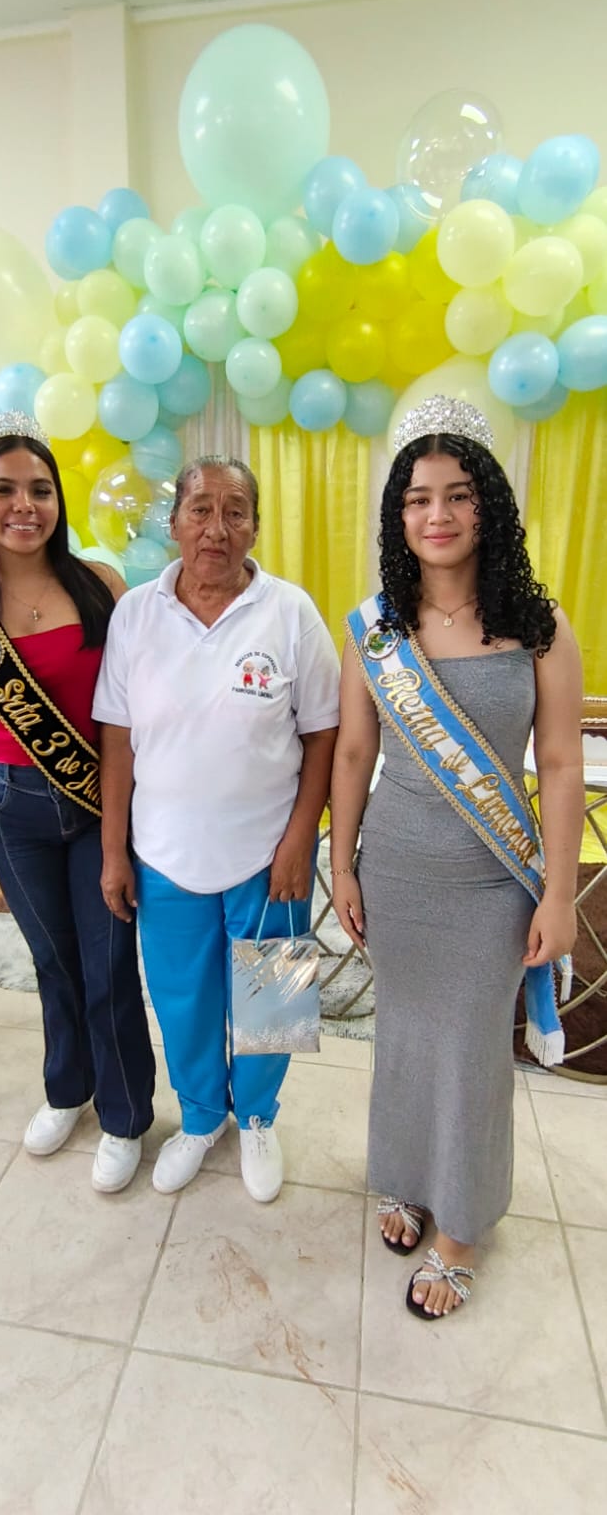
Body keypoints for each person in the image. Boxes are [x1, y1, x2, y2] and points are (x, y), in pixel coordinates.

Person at [330, 395, 583, 1318]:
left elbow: (561, 764)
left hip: (491, 883)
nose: (435, 514)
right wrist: (342, 864)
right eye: (416, 499)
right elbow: (351, 753)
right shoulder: (375, 629)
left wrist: (558, 895)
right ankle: (406, 1175)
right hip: (397, 869)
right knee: (403, 1035)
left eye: (456, 495)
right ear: (397, 516)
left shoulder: (539, 625)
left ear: (488, 507)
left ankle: (465, 1223)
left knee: (472, 1050)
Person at [94, 455, 339, 1204]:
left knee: (273, 998)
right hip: (165, 853)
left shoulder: (289, 612)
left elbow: (324, 736)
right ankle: (201, 1119)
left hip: (269, 856)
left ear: (255, 527)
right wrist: (113, 852)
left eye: (235, 511)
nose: (216, 528)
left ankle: (258, 1117)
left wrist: (300, 841)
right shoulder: (136, 614)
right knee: (182, 1002)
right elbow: (117, 740)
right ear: (173, 523)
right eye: (200, 509)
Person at [0, 412, 156, 1194]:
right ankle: (67, 1089)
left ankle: (124, 1116)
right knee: (53, 962)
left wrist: (125, 827)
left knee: (108, 964)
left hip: (98, 808)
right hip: (11, 809)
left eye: (40, 489)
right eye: (4, 490)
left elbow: (127, 714)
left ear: (59, 500)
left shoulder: (100, 585)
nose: (23, 506)